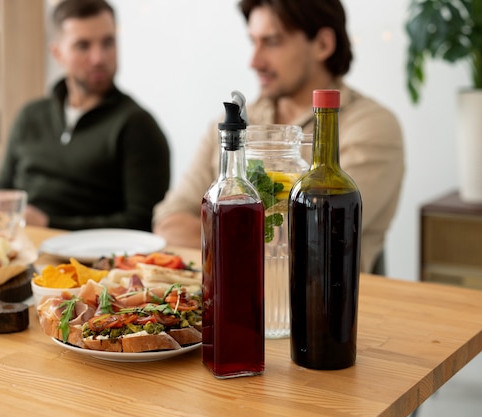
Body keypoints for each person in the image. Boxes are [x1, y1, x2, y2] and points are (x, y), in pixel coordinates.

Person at [153, 0, 404, 274]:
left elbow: (317, 240)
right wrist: (259, 238)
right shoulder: (229, 127)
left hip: (319, 307)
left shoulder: (370, 125)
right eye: (253, 42)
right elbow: (168, 222)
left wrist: (219, 228)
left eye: (271, 42)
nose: (254, 61)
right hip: (230, 302)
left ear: (322, 44)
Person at [0, 0, 170, 232]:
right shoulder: (30, 116)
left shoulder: (137, 125)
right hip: (19, 247)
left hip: (93, 261)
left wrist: (49, 224)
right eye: (83, 46)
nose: (98, 58)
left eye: (108, 43)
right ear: (58, 53)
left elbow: (142, 223)